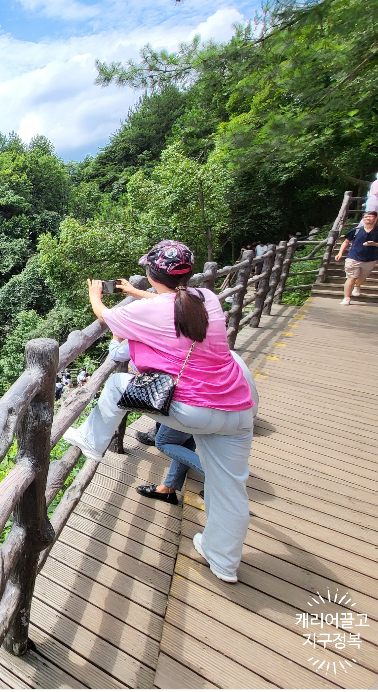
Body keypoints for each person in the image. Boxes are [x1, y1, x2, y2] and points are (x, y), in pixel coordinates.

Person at [63, 240, 255, 583]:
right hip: (238, 409)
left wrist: (96, 294)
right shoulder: (204, 299)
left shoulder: (147, 312)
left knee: (117, 386)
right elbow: (172, 305)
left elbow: (107, 318)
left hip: (193, 409)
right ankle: (224, 562)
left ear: (151, 273)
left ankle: (92, 441)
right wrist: (137, 293)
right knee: (231, 488)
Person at [110, 338, 260, 505]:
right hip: (242, 408)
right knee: (185, 439)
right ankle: (169, 488)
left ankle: (220, 479)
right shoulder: (213, 347)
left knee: (163, 442)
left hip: (222, 409)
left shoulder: (174, 345)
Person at [336, 210, 378, 305]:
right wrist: (340, 253)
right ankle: (346, 297)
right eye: (366, 217)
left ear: (375, 218)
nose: (368, 218)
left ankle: (357, 286)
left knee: (362, 278)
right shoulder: (356, 230)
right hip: (353, 257)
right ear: (363, 219)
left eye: (370, 216)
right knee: (351, 277)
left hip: (370, 259)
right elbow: (346, 242)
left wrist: (374, 244)